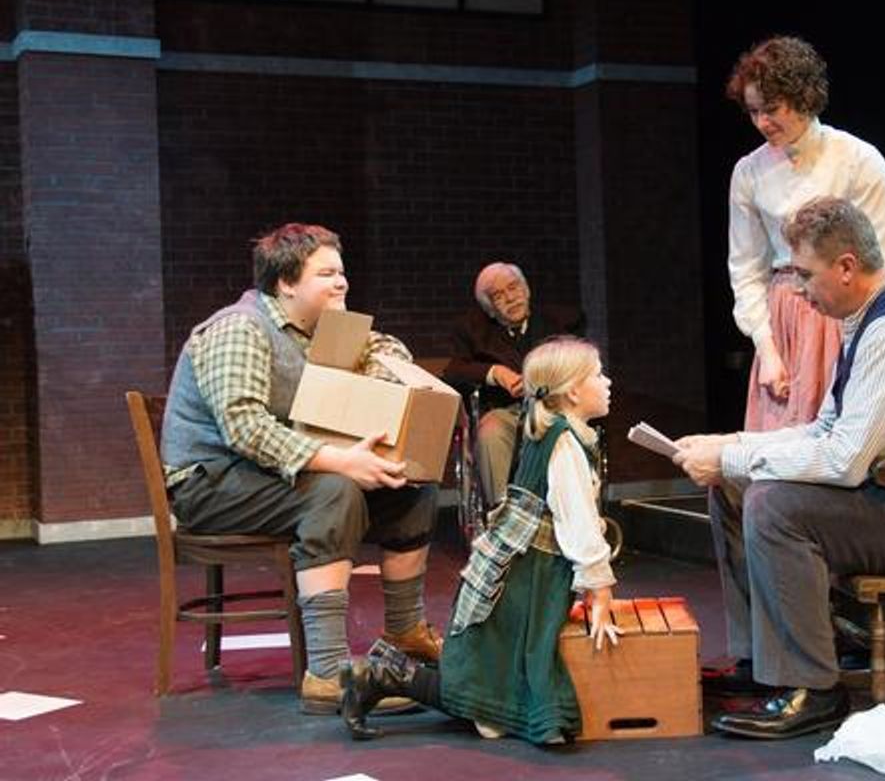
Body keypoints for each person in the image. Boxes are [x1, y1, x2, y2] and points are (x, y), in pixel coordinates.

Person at [674, 198, 885, 739]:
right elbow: (823, 431)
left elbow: (845, 460)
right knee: (734, 486)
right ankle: (763, 666)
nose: (797, 289)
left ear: (846, 266)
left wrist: (730, 454)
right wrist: (731, 444)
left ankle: (815, 688)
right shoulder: (863, 321)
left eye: (805, 274)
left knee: (774, 505)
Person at [161, 223, 442, 715]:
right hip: (211, 482)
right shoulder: (239, 328)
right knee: (334, 491)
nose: (343, 283)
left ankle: (405, 633)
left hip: (270, 477)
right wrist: (342, 460)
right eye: (327, 274)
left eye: (343, 272)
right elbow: (244, 427)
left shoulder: (327, 331)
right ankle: (329, 672)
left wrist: (376, 371)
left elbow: (387, 349)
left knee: (409, 485)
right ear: (286, 283)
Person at [340, 336, 618, 744]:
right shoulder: (563, 441)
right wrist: (600, 586)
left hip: (522, 571)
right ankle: (386, 674)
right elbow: (575, 520)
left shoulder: (561, 432)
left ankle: (385, 673)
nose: (608, 382)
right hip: (524, 580)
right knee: (493, 707)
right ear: (573, 391)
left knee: (494, 692)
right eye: (598, 375)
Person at [726, 35, 885, 431]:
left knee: (833, 438)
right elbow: (746, 268)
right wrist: (767, 348)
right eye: (754, 111)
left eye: (772, 110)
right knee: (772, 446)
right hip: (783, 321)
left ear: (804, 98)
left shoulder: (858, 160)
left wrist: (865, 343)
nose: (761, 122)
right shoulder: (749, 172)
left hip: (844, 312)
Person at [444, 262, 585, 506]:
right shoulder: (473, 331)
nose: (510, 298)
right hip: (507, 413)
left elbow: (581, 364)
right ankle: (504, 518)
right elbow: (453, 373)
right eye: (498, 295)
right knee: (490, 432)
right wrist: (495, 372)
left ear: (526, 290)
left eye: (513, 287)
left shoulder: (559, 322)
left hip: (556, 411)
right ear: (489, 308)